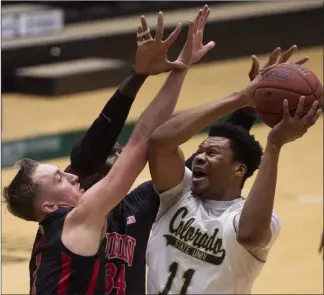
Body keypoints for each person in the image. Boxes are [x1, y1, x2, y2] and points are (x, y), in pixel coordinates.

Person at [3, 11, 198, 295]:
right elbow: (142, 137)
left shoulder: (52, 233)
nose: (70, 176)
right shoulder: (77, 219)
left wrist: (139, 74)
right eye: (58, 179)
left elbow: (99, 144)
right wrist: (182, 67)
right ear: (48, 206)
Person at [145, 56, 321, 294]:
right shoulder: (178, 195)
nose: (198, 157)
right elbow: (159, 142)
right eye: (199, 151)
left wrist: (275, 144)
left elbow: (250, 236)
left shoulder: (244, 219)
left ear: (239, 170)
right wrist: (241, 98)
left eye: (212, 153)